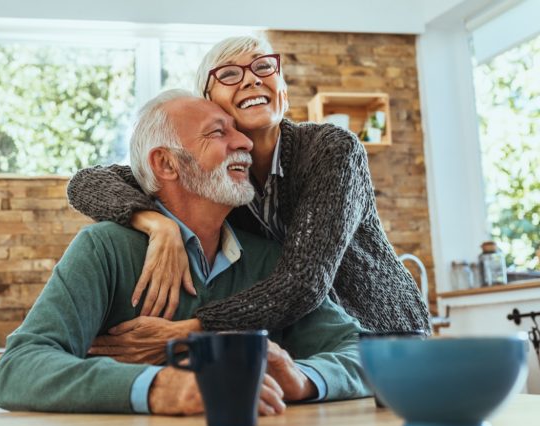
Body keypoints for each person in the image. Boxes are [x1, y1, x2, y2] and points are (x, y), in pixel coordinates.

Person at [0, 90, 371, 415]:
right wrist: (161, 387)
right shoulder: (104, 249)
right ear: (166, 163)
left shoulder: (269, 260)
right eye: (218, 133)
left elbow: (364, 355)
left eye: (238, 132)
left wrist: (303, 379)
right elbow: (19, 368)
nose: (245, 143)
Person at [66, 36, 431, 349]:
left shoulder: (332, 150)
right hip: (306, 344)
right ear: (208, 101)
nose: (252, 80)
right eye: (229, 74)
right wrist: (159, 225)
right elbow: (87, 182)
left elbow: (303, 281)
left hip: (383, 335)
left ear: (283, 92)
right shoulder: (216, 176)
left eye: (263, 68)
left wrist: (193, 330)